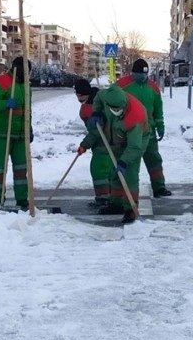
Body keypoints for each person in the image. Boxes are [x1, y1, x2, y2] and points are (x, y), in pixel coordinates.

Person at [87, 84, 150, 224]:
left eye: (119, 109)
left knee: (129, 173)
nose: (117, 111)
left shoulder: (135, 116)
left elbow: (134, 146)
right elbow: (97, 97)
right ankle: (116, 204)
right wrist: (96, 112)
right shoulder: (106, 96)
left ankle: (130, 209)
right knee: (115, 173)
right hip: (117, 138)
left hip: (137, 140)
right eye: (114, 109)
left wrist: (124, 161)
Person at [116, 58, 172, 198]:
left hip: (149, 130)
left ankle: (159, 187)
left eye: (145, 74)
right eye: (139, 74)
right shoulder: (122, 85)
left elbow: (158, 109)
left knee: (154, 160)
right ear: (133, 73)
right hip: (130, 131)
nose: (143, 77)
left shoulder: (153, 87)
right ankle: (126, 193)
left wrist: (160, 126)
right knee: (131, 162)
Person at [0, 56, 33, 209]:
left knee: (21, 168)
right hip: (2, 133)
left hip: (20, 134)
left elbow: (27, 110)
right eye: (25, 72)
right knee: (0, 168)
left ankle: (22, 199)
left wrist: (29, 129)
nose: (27, 75)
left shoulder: (26, 86)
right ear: (17, 70)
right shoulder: (2, 82)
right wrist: (5, 104)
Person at [74, 79, 112, 207]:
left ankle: (104, 197)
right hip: (107, 142)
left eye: (79, 95)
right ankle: (106, 196)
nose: (78, 98)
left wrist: (84, 145)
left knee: (99, 170)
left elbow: (96, 131)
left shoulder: (90, 108)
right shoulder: (96, 101)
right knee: (107, 170)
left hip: (105, 143)